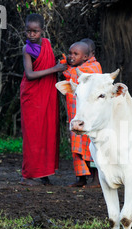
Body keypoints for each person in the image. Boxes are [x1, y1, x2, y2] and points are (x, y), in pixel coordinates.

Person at [19, 13, 66, 186]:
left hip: (47, 93)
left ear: (42, 31)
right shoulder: (27, 49)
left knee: (47, 131)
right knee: (33, 134)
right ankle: (29, 175)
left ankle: (43, 173)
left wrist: (60, 66)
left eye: (35, 31)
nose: (31, 35)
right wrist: (55, 69)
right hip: (32, 95)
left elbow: (50, 65)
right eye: (28, 31)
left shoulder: (47, 44)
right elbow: (30, 75)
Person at [62, 40, 102, 188]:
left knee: (91, 145)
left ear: (86, 56)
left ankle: (97, 180)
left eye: (75, 54)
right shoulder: (77, 67)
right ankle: (81, 179)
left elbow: (76, 75)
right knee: (77, 146)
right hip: (76, 116)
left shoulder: (93, 67)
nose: (71, 56)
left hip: (89, 118)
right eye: (70, 53)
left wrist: (63, 68)